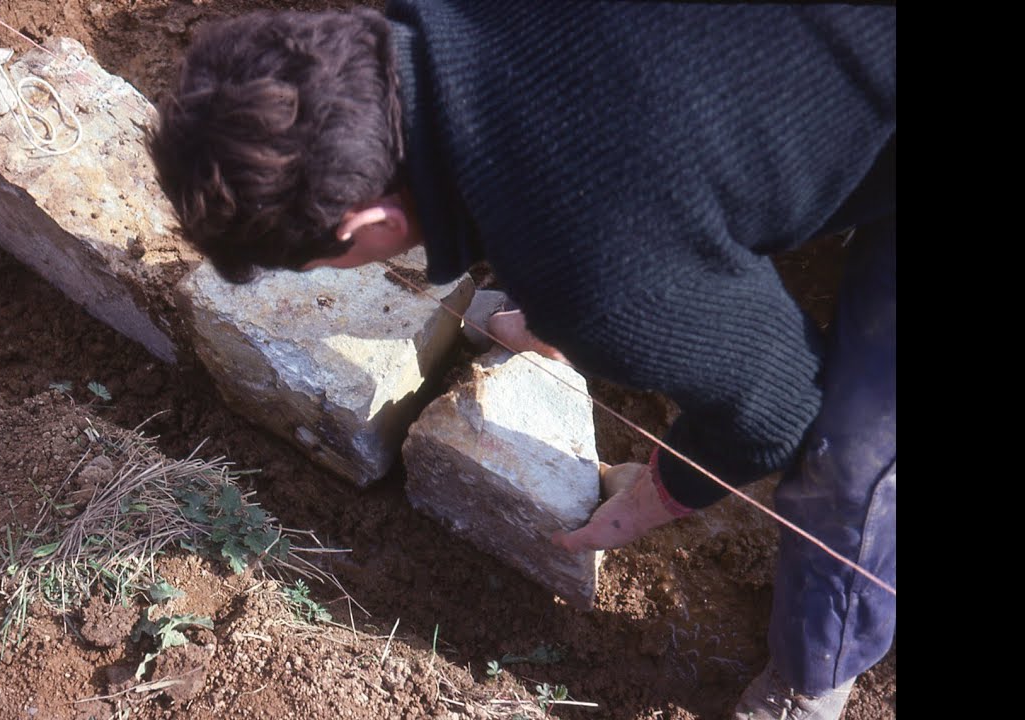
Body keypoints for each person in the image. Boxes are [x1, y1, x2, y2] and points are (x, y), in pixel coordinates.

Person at [147, 3, 895, 718]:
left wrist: (656, 493)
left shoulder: (600, 280)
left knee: (853, 456)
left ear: (370, 224)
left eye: (314, 266)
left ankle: (814, 670)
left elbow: (775, 408)